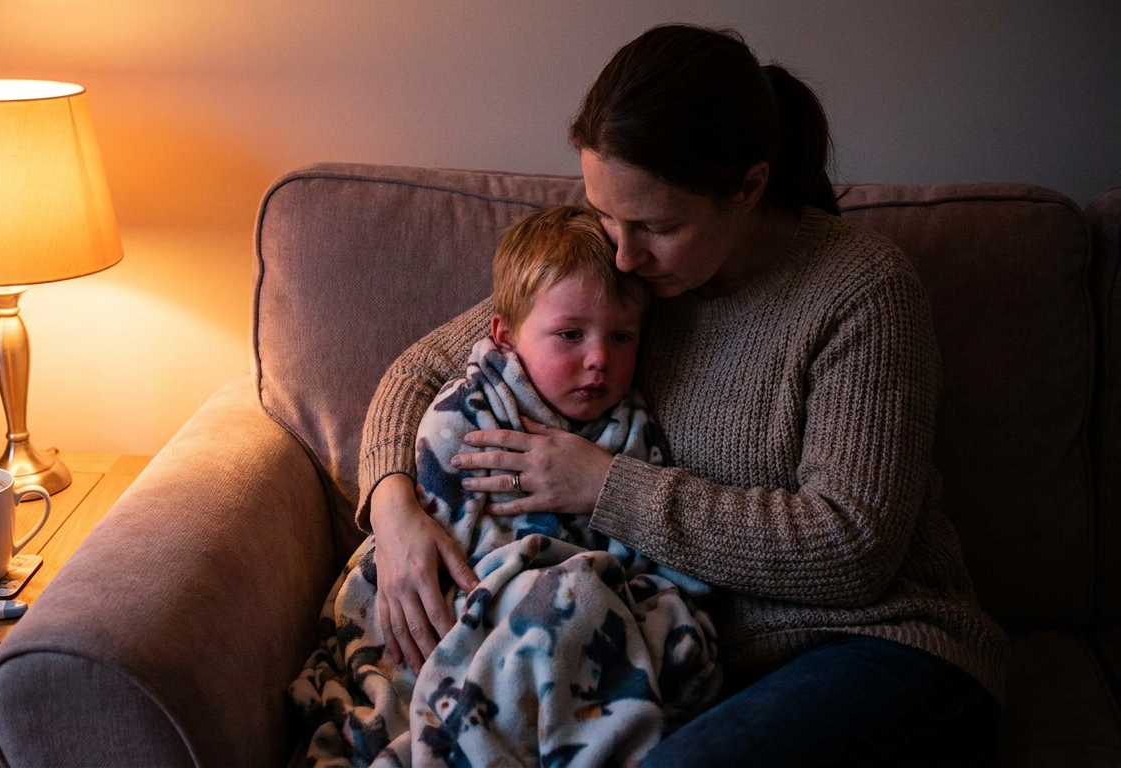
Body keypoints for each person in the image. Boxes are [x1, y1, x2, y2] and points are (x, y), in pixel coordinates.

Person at [357, 24, 1008, 767]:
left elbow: (851, 547)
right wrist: (393, 505)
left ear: (749, 188)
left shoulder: (861, 290)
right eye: (606, 215)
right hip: (687, 669)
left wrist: (604, 484)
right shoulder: (630, 279)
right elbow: (419, 369)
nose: (624, 253)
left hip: (882, 651)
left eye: (656, 226)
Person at [291, 205, 719, 766]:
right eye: (570, 335)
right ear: (506, 336)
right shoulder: (469, 410)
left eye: (622, 337)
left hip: (561, 620)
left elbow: (647, 549)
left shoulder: (629, 426)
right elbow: (451, 526)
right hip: (463, 607)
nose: (599, 359)